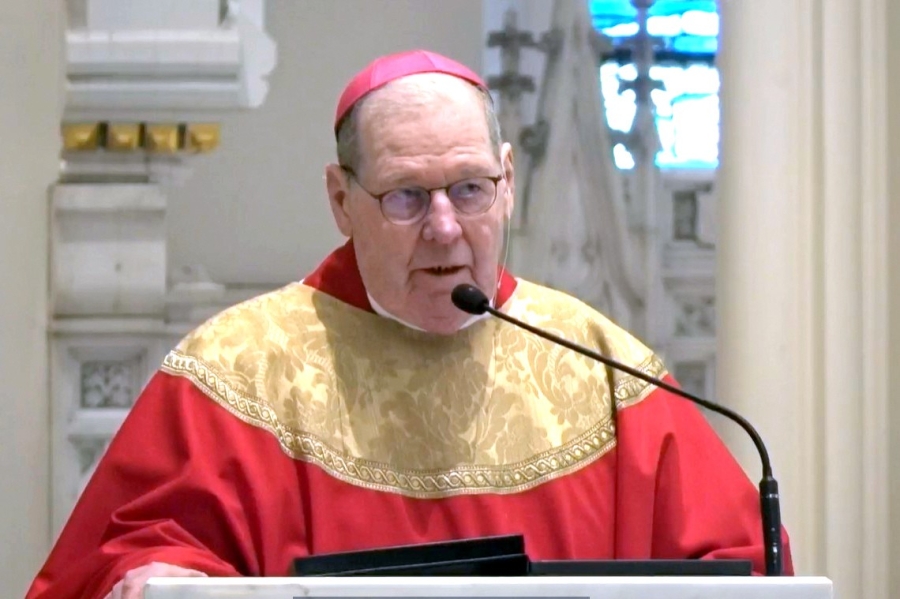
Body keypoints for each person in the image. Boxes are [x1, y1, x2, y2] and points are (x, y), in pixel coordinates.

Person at [25, 49, 793, 599]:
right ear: (340, 198)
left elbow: (737, 570)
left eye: (469, 188)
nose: (445, 227)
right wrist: (159, 582)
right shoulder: (235, 373)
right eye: (405, 196)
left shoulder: (603, 372)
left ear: (510, 182)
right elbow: (125, 557)